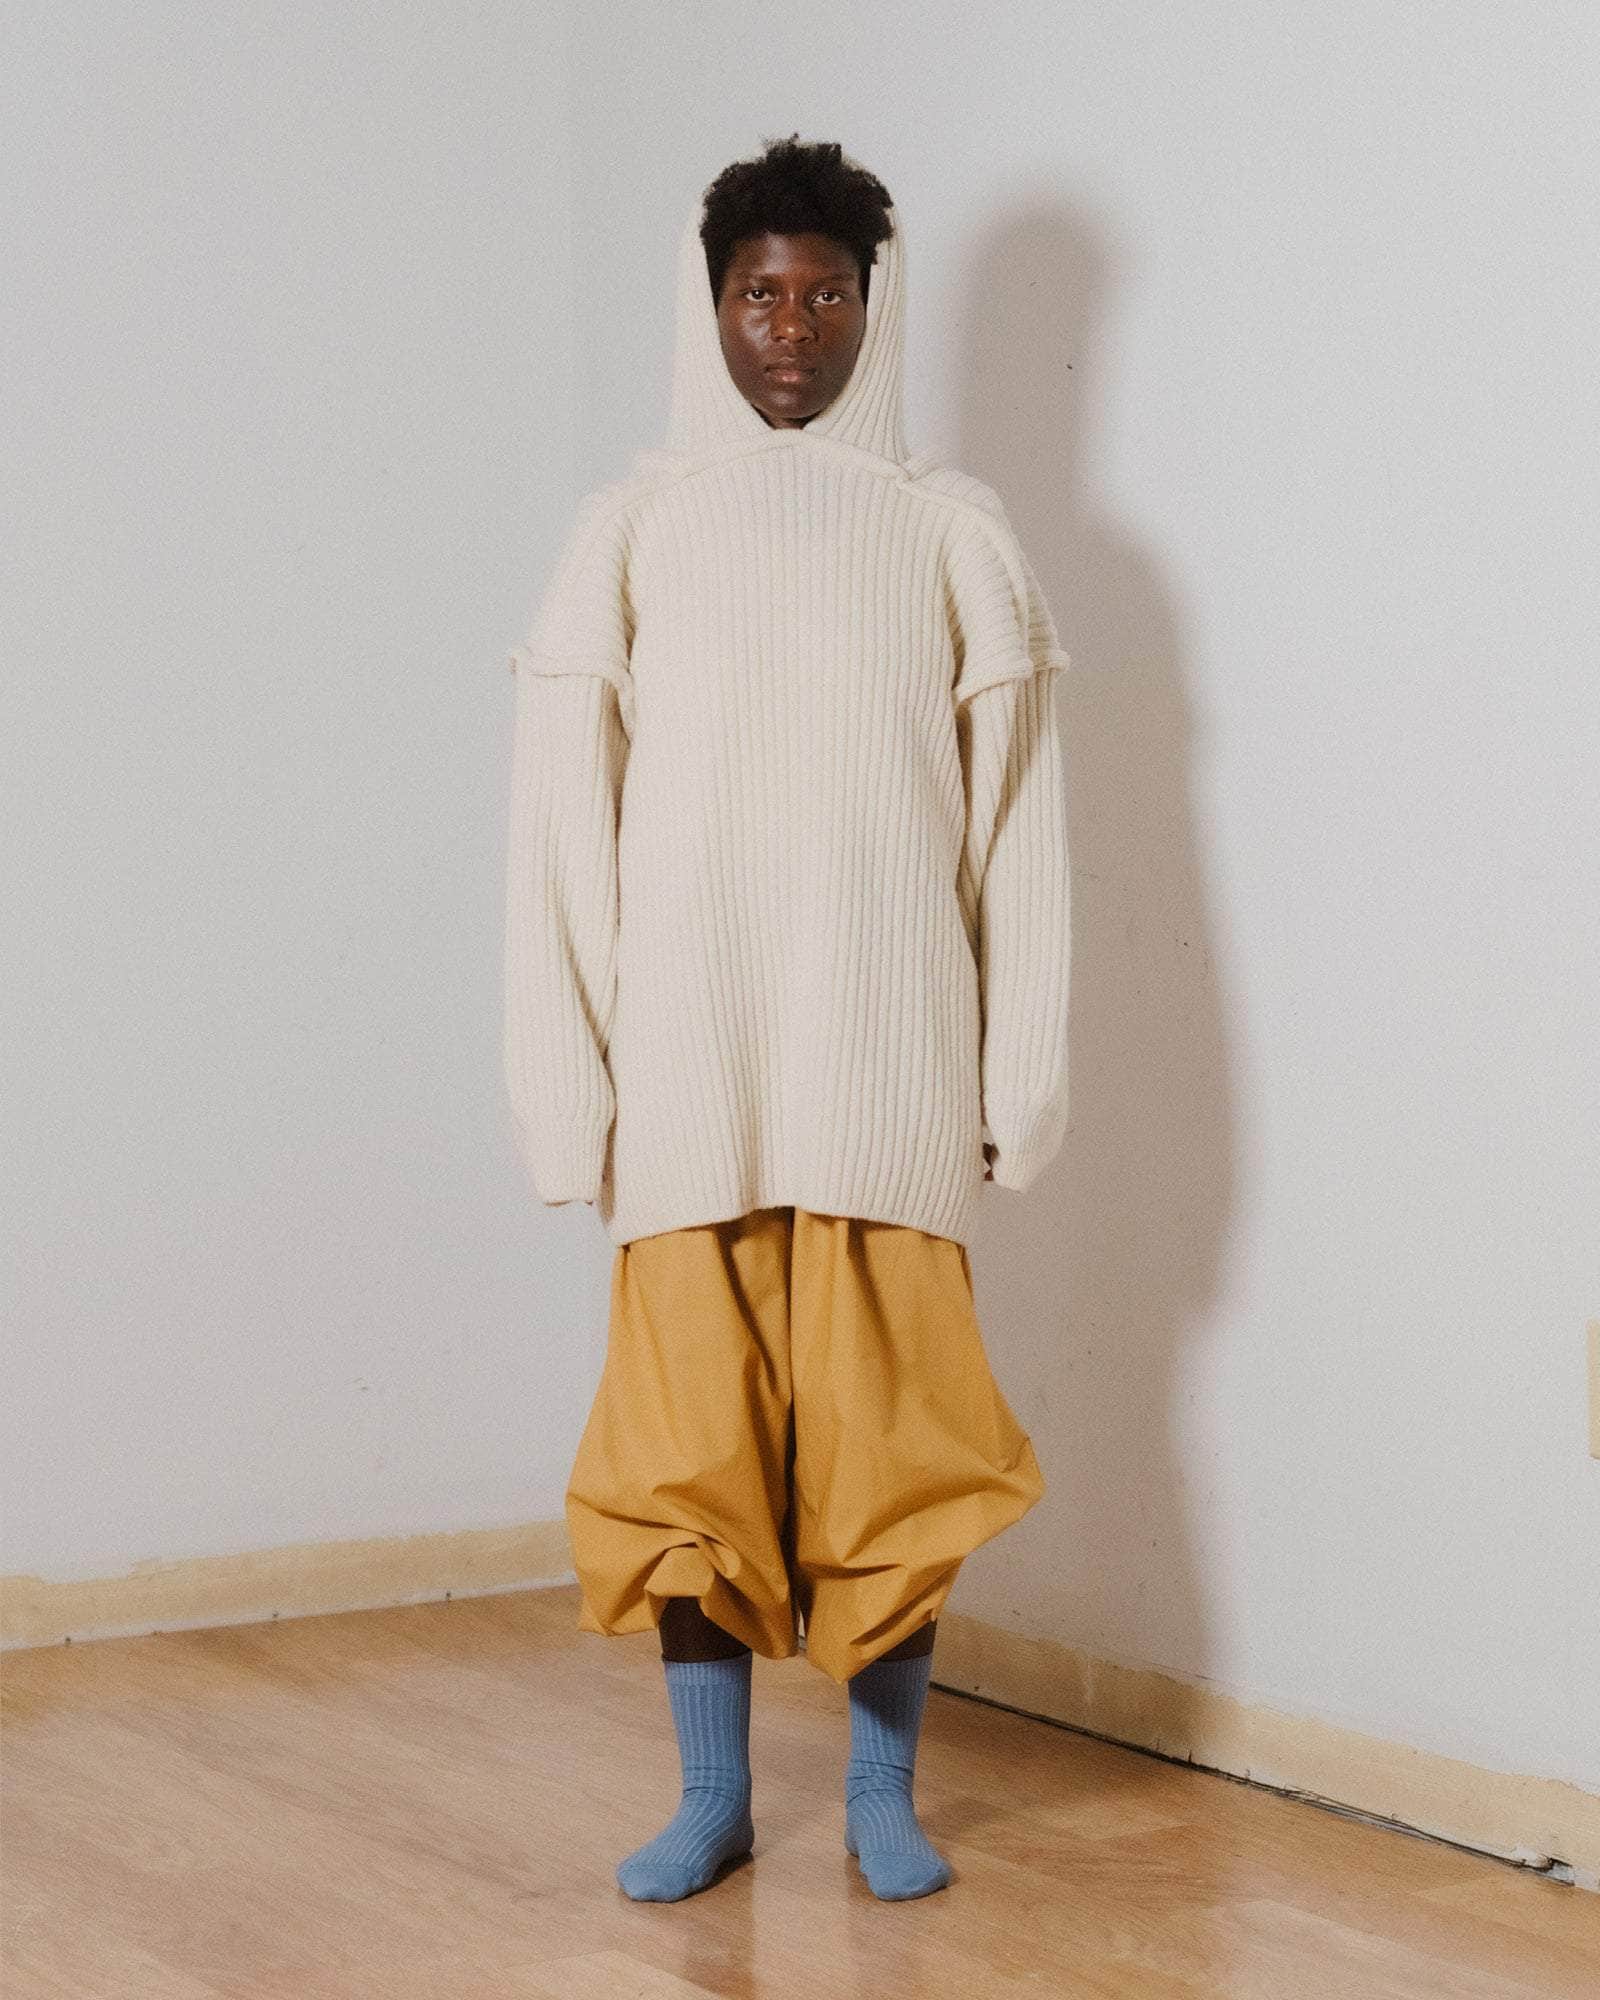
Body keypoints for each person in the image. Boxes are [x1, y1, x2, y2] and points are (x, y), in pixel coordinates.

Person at [503, 136, 1071, 1903]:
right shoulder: (632, 531)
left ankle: (882, 1795)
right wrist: (569, 1085)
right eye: (762, 294)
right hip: (694, 1078)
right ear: (712, 307)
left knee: (894, 1456)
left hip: (884, 1075)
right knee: (689, 1459)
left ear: (873, 309)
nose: (794, 329)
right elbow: (561, 828)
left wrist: (1019, 1069)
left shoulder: (952, 529)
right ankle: (714, 1797)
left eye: (827, 294)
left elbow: (1018, 825)